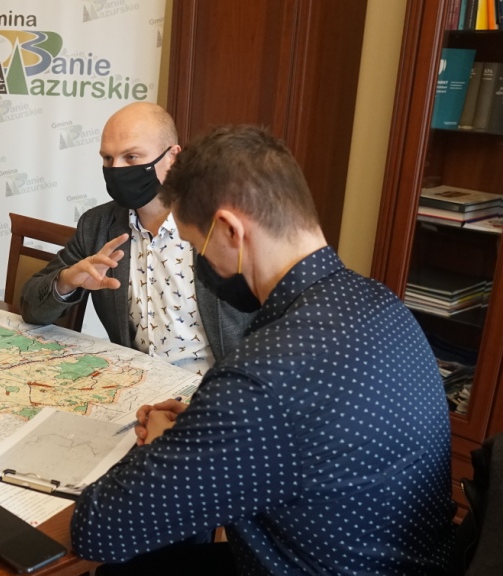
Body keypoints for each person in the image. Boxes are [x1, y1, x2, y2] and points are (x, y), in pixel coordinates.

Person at [70, 125, 456, 574]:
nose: (201, 265)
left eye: (196, 248)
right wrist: (206, 427)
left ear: (230, 231)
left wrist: (160, 445)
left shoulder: (260, 379)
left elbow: (98, 529)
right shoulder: (379, 302)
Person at [21, 102, 254, 376]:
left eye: (131, 157)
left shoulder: (224, 225)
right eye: (108, 159)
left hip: (219, 389)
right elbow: (32, 309)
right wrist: (67, 281)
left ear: (173, 157)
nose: (116, 169)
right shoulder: (97, 226)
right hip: (137, 385)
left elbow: (277, 323)